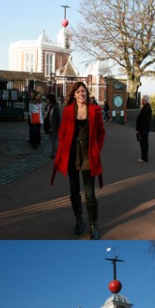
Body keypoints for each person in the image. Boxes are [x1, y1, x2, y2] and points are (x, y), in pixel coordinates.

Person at [51, 81, 105, 240]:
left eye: (84, 91)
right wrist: (64, 146)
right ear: (74, 94)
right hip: (72, 157)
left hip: (88, 156)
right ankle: (79, 219)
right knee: (74, 192)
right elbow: (62, 132)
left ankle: (93, 224)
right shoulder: (68, 111)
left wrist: (96, 149)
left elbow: (101, 133)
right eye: (78, 92)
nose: (81, 94)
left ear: (87, 93)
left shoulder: (95, 110)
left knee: (89, 193)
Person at [43, 93, 62, 158]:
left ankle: (55, 154)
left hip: (55, 127)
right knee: (52, 140)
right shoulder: (49, 106)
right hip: (50, 126)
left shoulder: (56, 107)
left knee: (55, 140)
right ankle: (55, 152)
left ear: (50, 99)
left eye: (47, 99)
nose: (46, 100)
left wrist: (57, 127)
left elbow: (59, 118)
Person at [135, 95, 152, 163]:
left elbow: (144, 120)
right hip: (144, 128)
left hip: (143, 129)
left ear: (146, 100)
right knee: (143, 143)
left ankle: (144, 157)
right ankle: (143, 156)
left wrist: (140, 128)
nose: (141, 101)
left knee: (144, 143)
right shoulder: (146, 107)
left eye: (142, 100)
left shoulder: (146, 108)